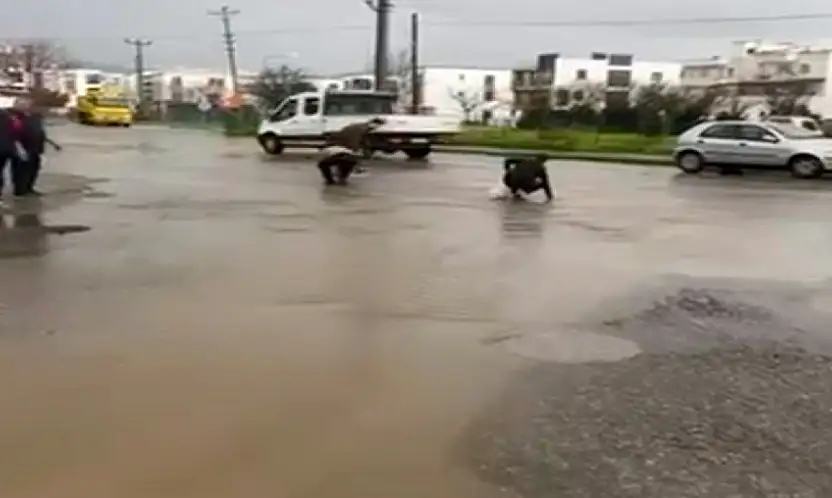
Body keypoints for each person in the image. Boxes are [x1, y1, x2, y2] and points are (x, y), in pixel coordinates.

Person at [15, 98, 61, 197]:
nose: (27, 107)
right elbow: (13, 134)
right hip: (23, 148)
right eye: (23, 105)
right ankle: (20, 190)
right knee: (22, 170)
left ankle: (29, 188)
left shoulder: (35, 118)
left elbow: (41, 133)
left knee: (34, 169)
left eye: (28, 105)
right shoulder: (17, 118)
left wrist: (53, 144)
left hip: (36, 148)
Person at [317, 117, 385, 185]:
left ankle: (331, 180)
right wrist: (361, 153)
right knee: (349, 160)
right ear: (374, 124)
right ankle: (340, 179)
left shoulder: (357, 126)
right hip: (342, 150)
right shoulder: (363, 129)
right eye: (378, 126)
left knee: (325, 164)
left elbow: (361, 142)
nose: (377, 128)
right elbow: (357, 141)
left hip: (335, 148)